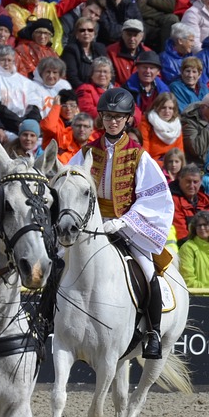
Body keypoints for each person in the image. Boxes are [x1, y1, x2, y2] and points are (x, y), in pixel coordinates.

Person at [68, 87, 174, 358]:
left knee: (148, 272)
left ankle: (152, 333)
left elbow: (155, 197)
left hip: (126, 225)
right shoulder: (85, 152)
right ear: (101, 118)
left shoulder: (140, 156)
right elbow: (69, 182)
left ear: (128, 119)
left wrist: (124, 222)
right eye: (107, 116)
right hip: (89, 223)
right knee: (58, 262)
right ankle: (45, 321)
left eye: (118, 116)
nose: (112, 121)